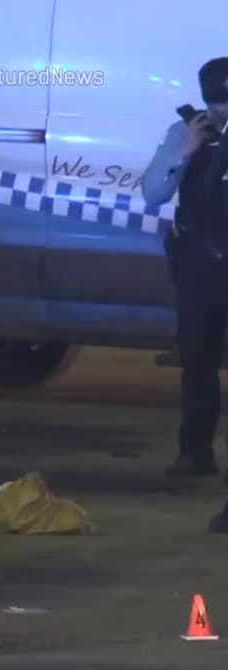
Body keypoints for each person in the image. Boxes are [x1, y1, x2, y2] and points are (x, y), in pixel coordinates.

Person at [141, 57, 228, 522]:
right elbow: (153, 191)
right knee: (196, 362)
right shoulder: (185, 134)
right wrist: (187, 152)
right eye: (215, 104)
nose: (221, 113)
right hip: (197, 264)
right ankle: (195, 451)